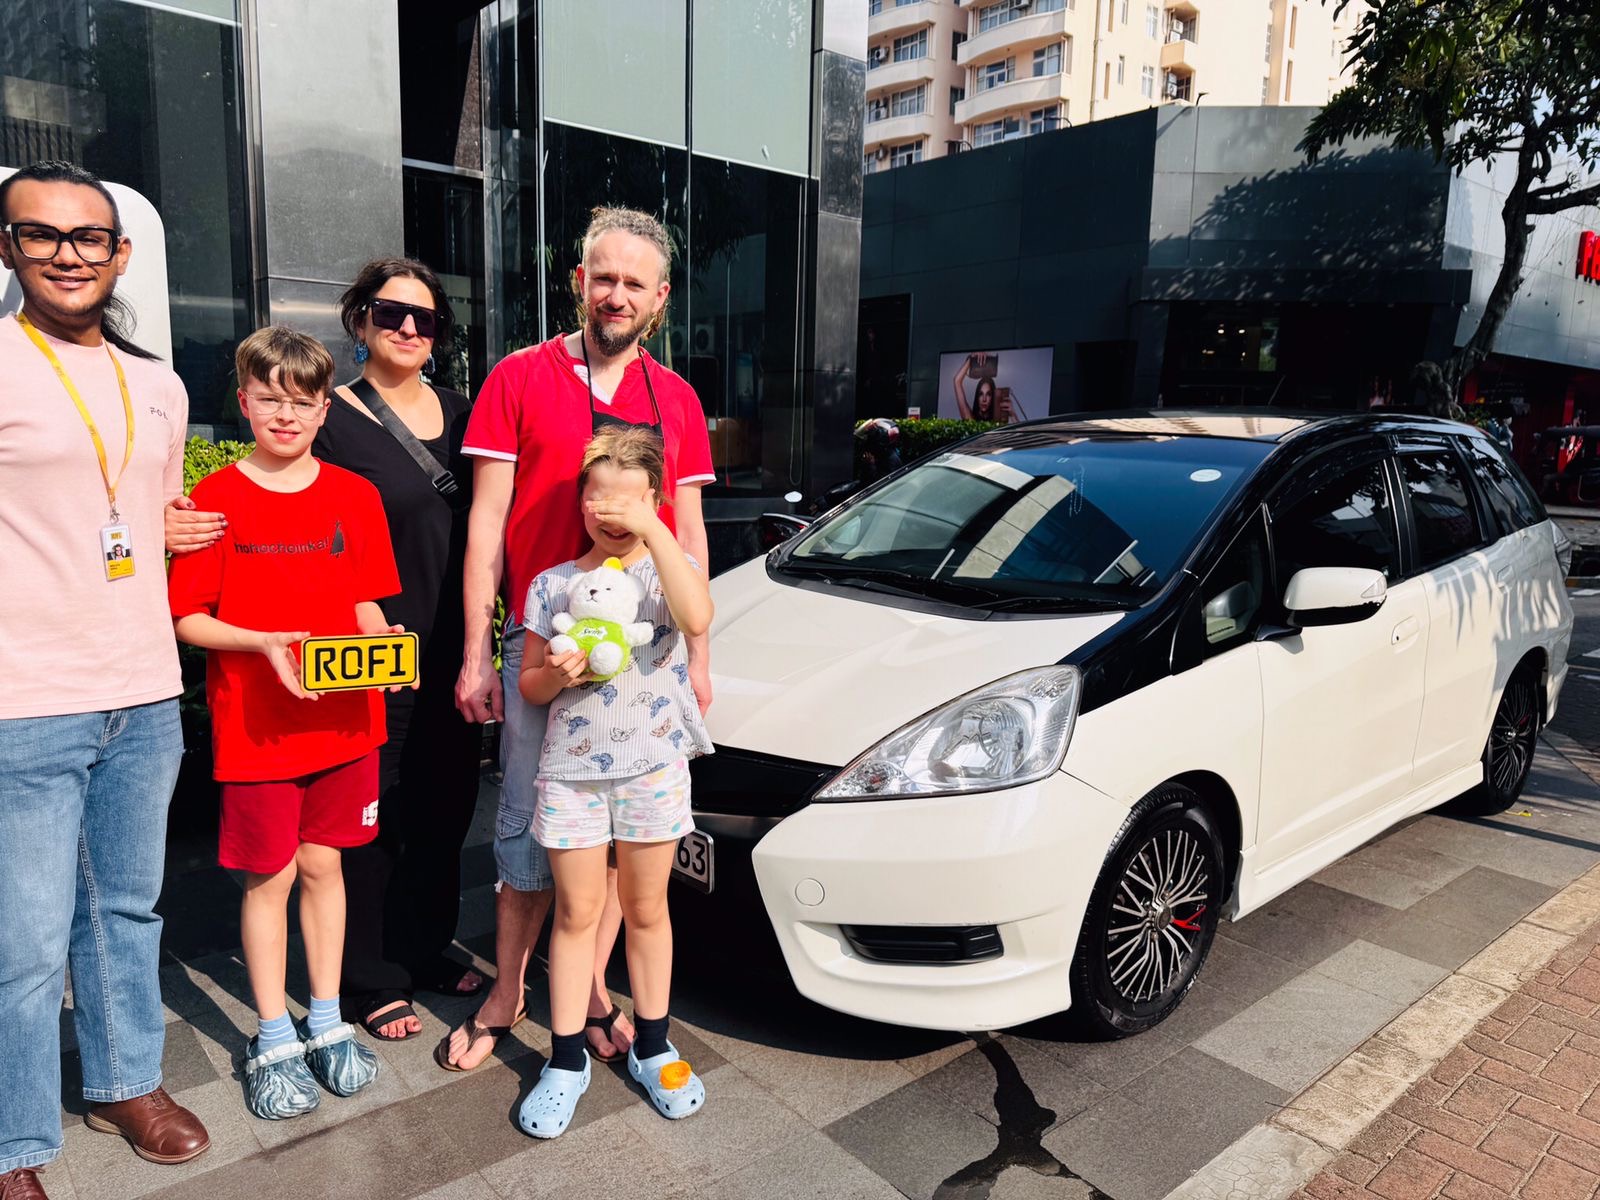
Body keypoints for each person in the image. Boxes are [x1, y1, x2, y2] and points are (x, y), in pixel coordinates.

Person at [442, 206, 715, 1072]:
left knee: (618, 835)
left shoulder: (675, 400)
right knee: (530, 827)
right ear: (578, 282)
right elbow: (485, 527)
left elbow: (693, 538)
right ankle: (507, 989)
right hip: (542, 651)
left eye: (636, 282)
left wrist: (701, 659)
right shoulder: (519, 377)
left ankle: (590, 992)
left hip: (645, 663)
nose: (617, 294)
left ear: (661, 298)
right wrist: (477, 653)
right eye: (604, 277)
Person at [0, 160, 210, 1199]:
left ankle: (127, 1081)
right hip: (23, 698)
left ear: (119, 254)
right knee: (26, 943)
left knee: (127, 909)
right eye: (41, 236)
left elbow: (146, 517)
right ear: (10, 248)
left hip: (144, 688)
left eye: (87, 238)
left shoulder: (159, 384)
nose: (66, 255)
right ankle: (14, 1138)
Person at [167, 327, 400, 1120]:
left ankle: (328, 1021)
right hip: (256, 730)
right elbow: (188, 619)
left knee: (325, 867)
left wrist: (382, 645)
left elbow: (367, 600)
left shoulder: (354, 495)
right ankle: (272, 1034)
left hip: (346, 724)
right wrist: (261, 642)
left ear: (323, 407)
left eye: (302, 402)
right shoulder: (216, 501)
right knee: (267, 879)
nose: (286, 415)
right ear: (244, 402)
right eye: (270, 399)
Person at [515, 425, 713, 1136]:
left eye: (628, 500)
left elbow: (697, 619)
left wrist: (657, 533)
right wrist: (552, 675)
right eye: (597, 497)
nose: (610, 513)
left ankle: (655, 1047)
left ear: (654, 501)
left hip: (653, 769)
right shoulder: (553, 585)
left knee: (649, 908)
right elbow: (532, 686)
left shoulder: (669, 571)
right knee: (574, 914)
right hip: (570, 775)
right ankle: (565, 1060)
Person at [314, 258, 484, 1041]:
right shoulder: (330, 415)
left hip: (457, 650)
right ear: (360, 322)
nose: (411, 329)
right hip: (371, 654)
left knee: (444, 810)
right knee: (373, 816)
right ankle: (371, 973)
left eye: (427, 319)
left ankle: (423, 945)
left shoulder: (464, 410)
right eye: (392, 314)